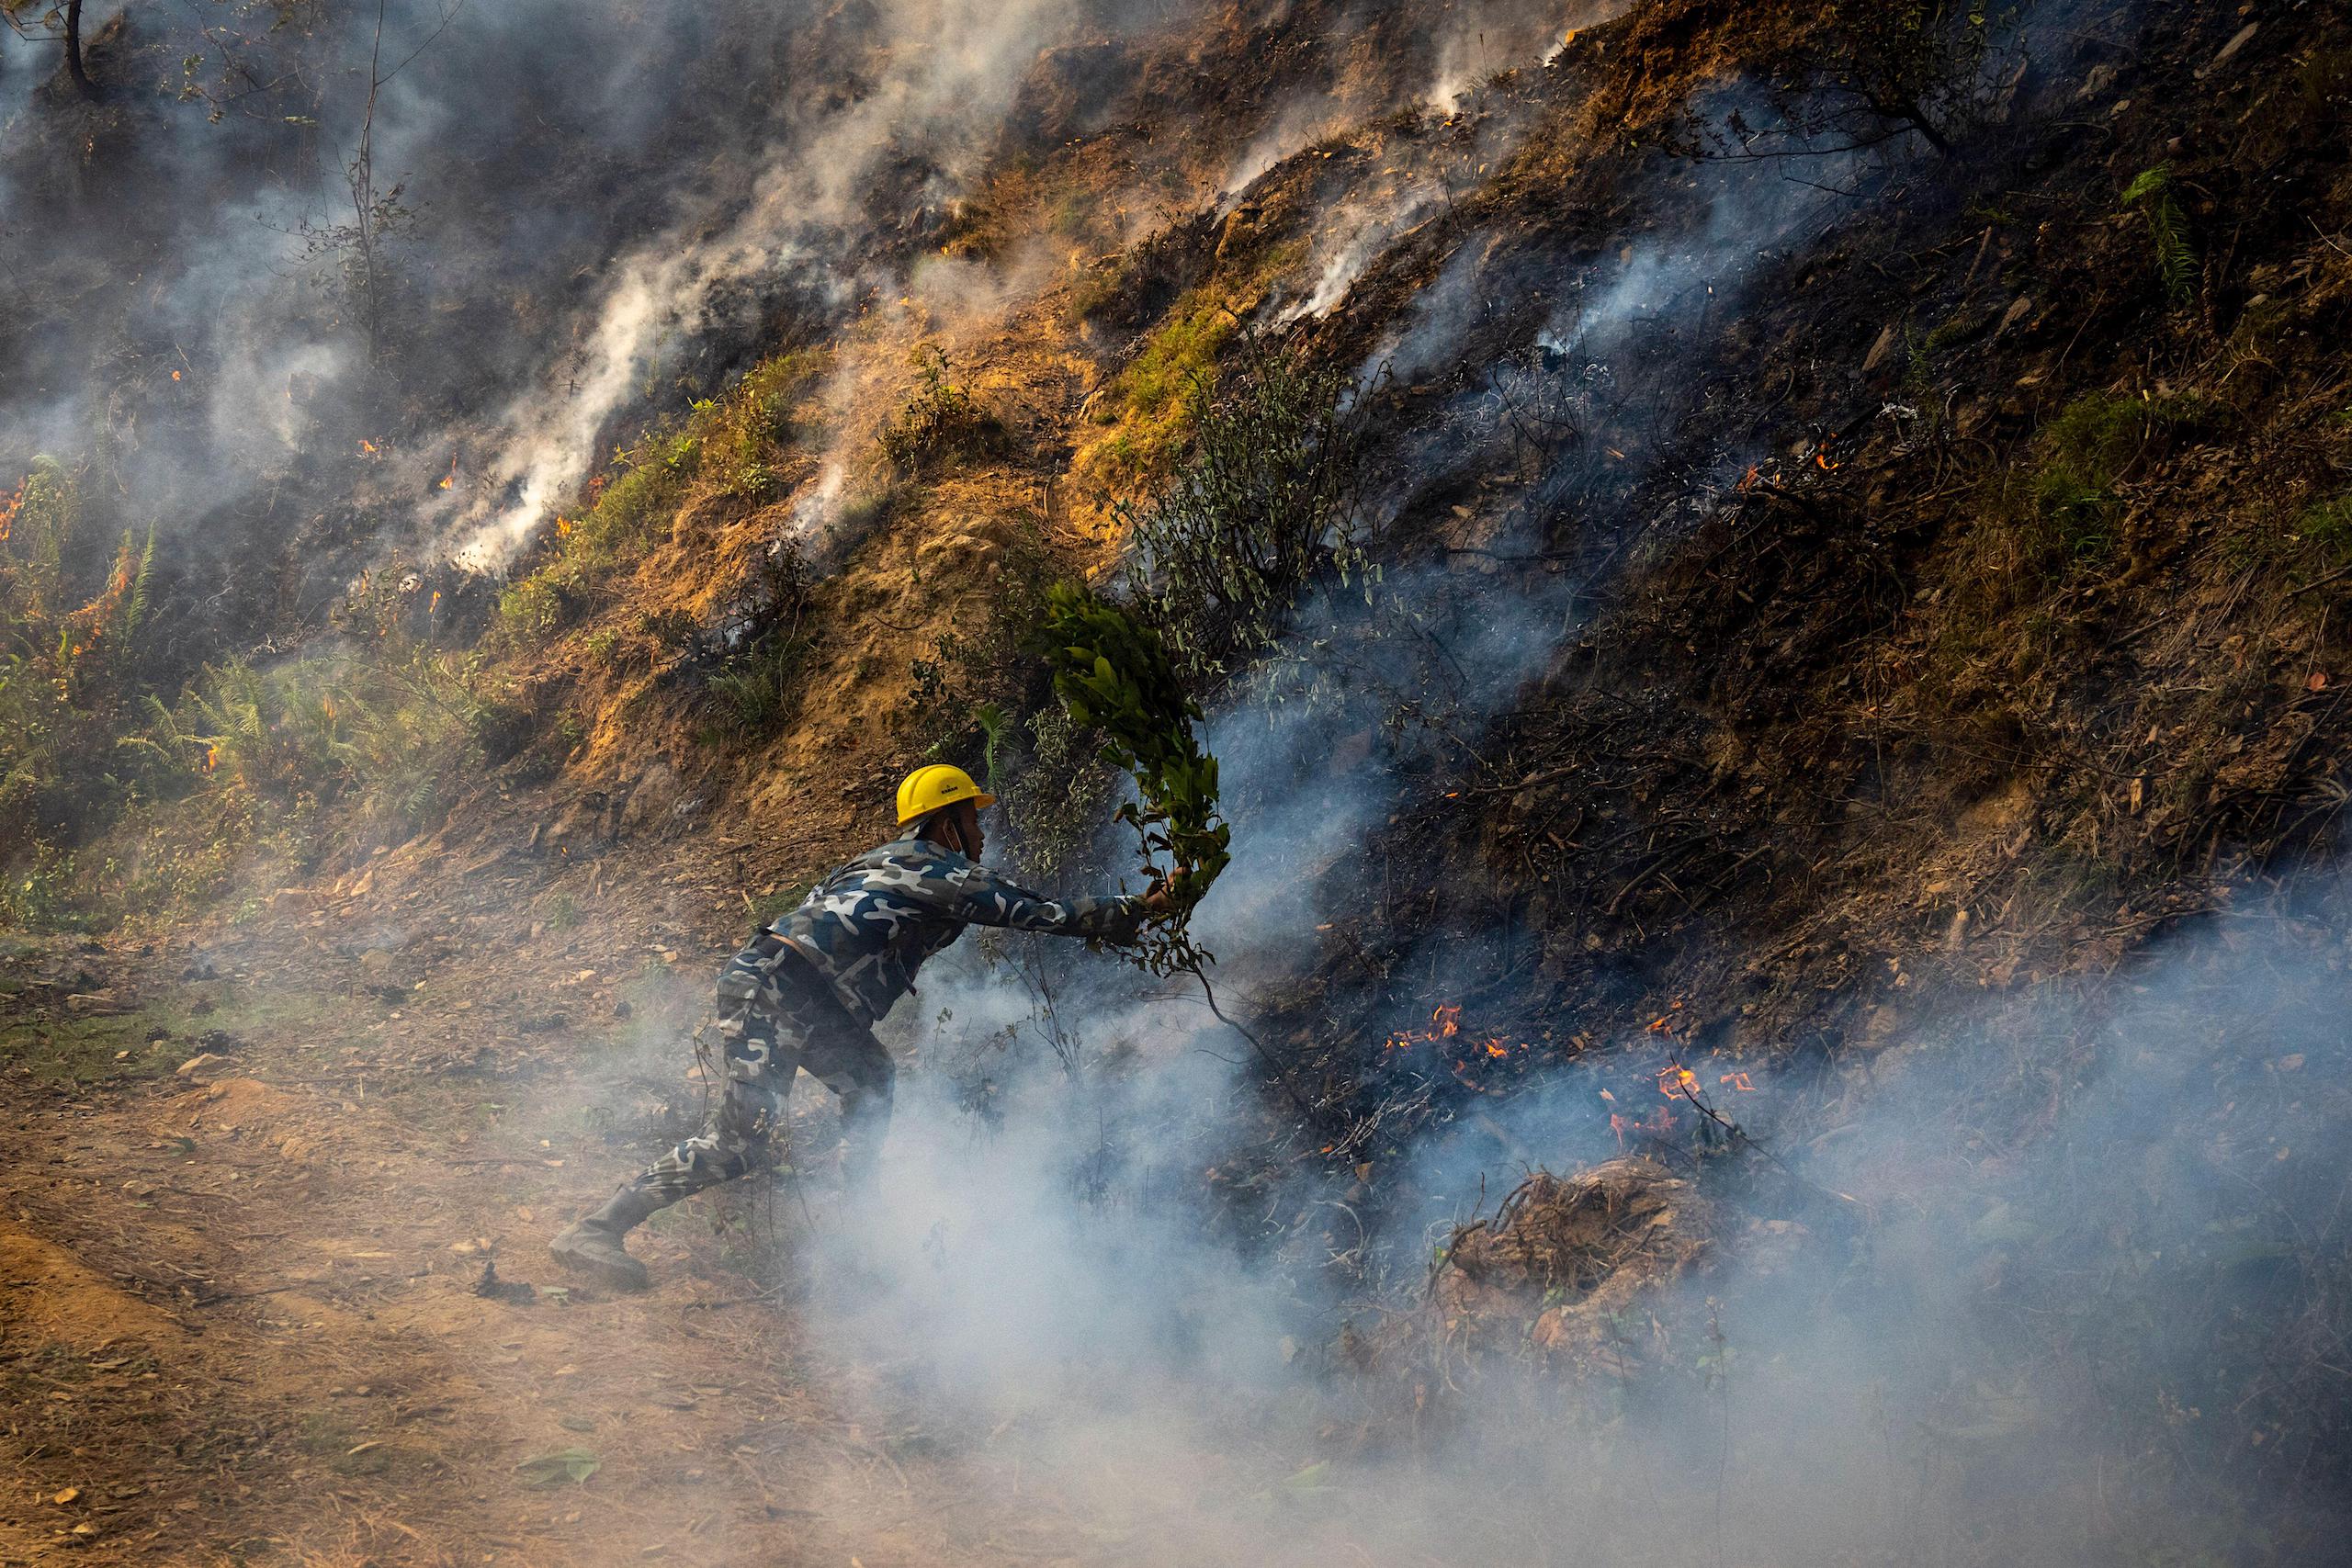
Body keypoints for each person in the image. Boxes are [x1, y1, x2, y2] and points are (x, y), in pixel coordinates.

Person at [549, 763, 1163, 1289]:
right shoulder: (941, 871)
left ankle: (850, 1245)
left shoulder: (883, 859)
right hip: (778, 988)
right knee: (740, 1143)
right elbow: (1039, 912)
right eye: (973, 820)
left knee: (872, 1076)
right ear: (948, 824)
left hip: (800, 990)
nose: (981, 832)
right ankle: (596, 1229)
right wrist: (1141, 907)